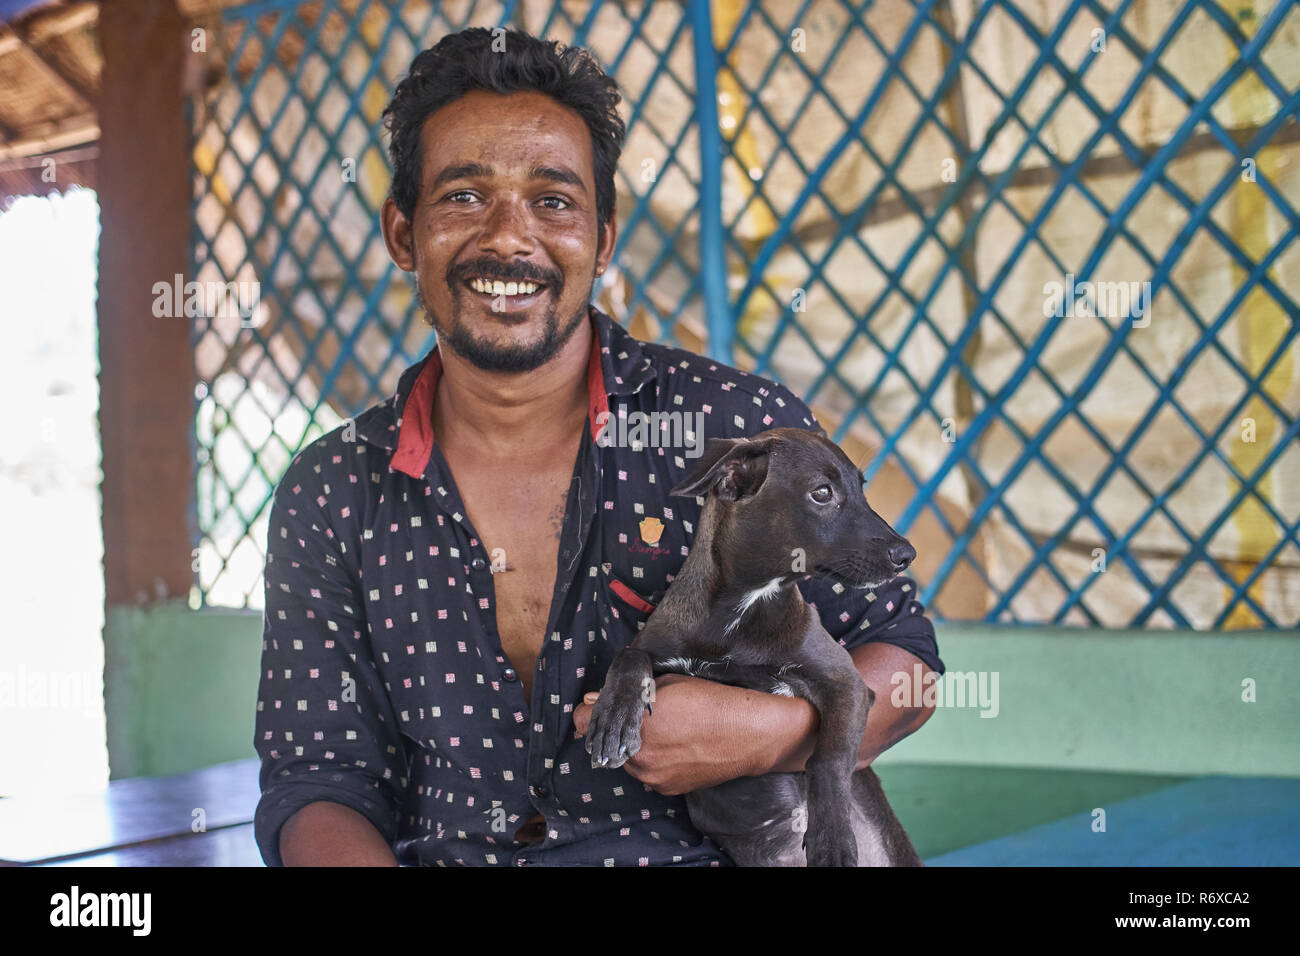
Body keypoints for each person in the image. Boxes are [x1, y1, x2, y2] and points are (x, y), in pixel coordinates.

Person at [254, 26, 943, 867]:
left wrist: (764, 734)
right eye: (464, 197)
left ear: (603, 240)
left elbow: (907, 670)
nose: (509, 238)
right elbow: (319, 776)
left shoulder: (731, 429)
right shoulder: (332, 489)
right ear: (404, 233)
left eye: (553, 201)